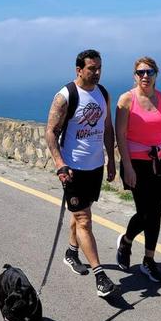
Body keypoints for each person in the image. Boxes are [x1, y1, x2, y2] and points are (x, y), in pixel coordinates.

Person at [45, 49, 119, 298]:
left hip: (95, 167)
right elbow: (50, 132)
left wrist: (111, 160)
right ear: (78, 70)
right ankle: (100, 276)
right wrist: (59, 164)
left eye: (99, 68)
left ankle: (71, 253)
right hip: (73, 169)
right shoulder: (65, 96)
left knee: (81, 214)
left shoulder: (103, 94)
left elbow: (108, 128)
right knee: (85, 220)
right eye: (91, 69)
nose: (97, 72)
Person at [115, 56, 161, 285]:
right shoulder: (126, 100)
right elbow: (120, 136)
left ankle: (149, 260)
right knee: (145, 212)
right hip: (137, 163)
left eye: (150, 72)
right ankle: (126, 241)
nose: (145, 76)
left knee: (156, 213)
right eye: (141, 72)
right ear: (134, 76)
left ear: (157, 74)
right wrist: (127, 166)